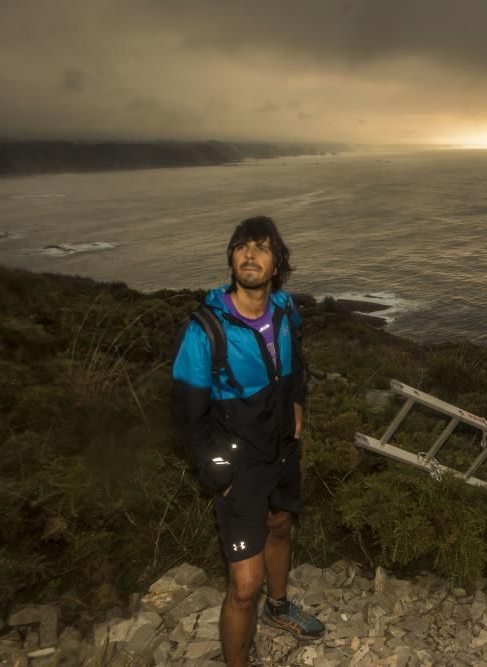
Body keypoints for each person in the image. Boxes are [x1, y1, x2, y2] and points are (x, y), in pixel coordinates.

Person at [172, 216, 324, 666]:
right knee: (243, 585)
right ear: (232, 259)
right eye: (241, 246)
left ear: (277, 264)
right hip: (239, 464)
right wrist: (216, 468)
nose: (249, 254)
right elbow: (186, 416)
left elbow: (297, 363)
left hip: (282, 450)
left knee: (280, 526)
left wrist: (296, 402)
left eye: (260, 247)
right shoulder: (206, 329)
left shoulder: (285, 310)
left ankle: (278, 608)